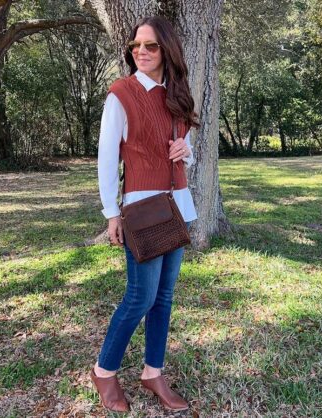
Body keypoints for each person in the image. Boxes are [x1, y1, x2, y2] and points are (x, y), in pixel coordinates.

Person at [92, 15, 200, 413]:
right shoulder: (121, 93)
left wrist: (185, 150)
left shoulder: (177, 96)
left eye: (151, 46)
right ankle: (104, 372)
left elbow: (189, 147)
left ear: (166, 51)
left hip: (178, 205)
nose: (141, 51)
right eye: (136, 45)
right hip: (142, 209)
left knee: (164, 297)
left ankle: (153, 372)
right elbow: (106, 159)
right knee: (140, 296)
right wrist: (111, 213)